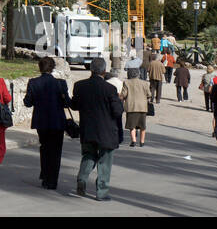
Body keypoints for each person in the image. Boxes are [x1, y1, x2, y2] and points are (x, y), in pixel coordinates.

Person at [72, 57, 123, 202]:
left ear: (91, 69)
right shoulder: (110, 89)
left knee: (88, 155)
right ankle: (101, 191)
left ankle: (82, 179)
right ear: (104, 71)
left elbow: (74, 105)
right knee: (105, 161)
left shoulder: (80, 86)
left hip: (87, 129)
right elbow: (117, 111)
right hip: (106, 131)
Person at [24, 56, 70, 190]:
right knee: (55, 151)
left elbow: (28, 103)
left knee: (44, 148)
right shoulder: (60, 83)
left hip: (41, 122)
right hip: (57, 121)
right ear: (52, 68)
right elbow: (68, 103)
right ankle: (52, 180)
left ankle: (45, 177)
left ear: (40, 68)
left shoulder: (33, 82)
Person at [121, 68, 150, 147]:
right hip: (142, 107)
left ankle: (133, 140)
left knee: (132, 125)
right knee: (142, 125)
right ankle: (142, 141)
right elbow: (149, 94)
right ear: (139, 74)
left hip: (131, 106)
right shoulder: (145, 83)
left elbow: (124, 94)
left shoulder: (126, 82)